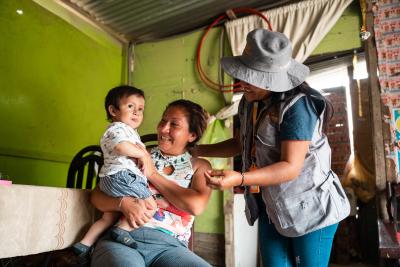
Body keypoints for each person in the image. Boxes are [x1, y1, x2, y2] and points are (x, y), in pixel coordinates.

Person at [196, 29, 351, 267]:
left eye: (251, 77)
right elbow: (241, 144)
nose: (242, 83)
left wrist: (239, 178)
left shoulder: (298, 107)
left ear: (271, 79)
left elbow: (290, 167)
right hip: (274, 206)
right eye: (243, 75)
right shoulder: (250, 102)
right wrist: (196, 151)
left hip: (312, 209)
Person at [90, 99, 213, 267]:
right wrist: (122, 204)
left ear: (192, 135)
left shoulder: (199, 166)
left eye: (174, 125)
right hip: (122, 239)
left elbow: (196, 206)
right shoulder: (137, 153)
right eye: (163, 120)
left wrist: (153, 174)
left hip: (171, 248)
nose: (163, 129)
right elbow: (96, 196)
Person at [73, 85, 155, 257]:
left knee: (108, 217)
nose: (137, 113)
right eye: (131, 106)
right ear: (113, 110)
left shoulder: (130, 131)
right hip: (122, 176)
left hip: (112, 178)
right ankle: (121, 230)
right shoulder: (118, 129)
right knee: (150, 205)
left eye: (141, 109)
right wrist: (143, 154)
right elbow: (120, 147)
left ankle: (83, 244)